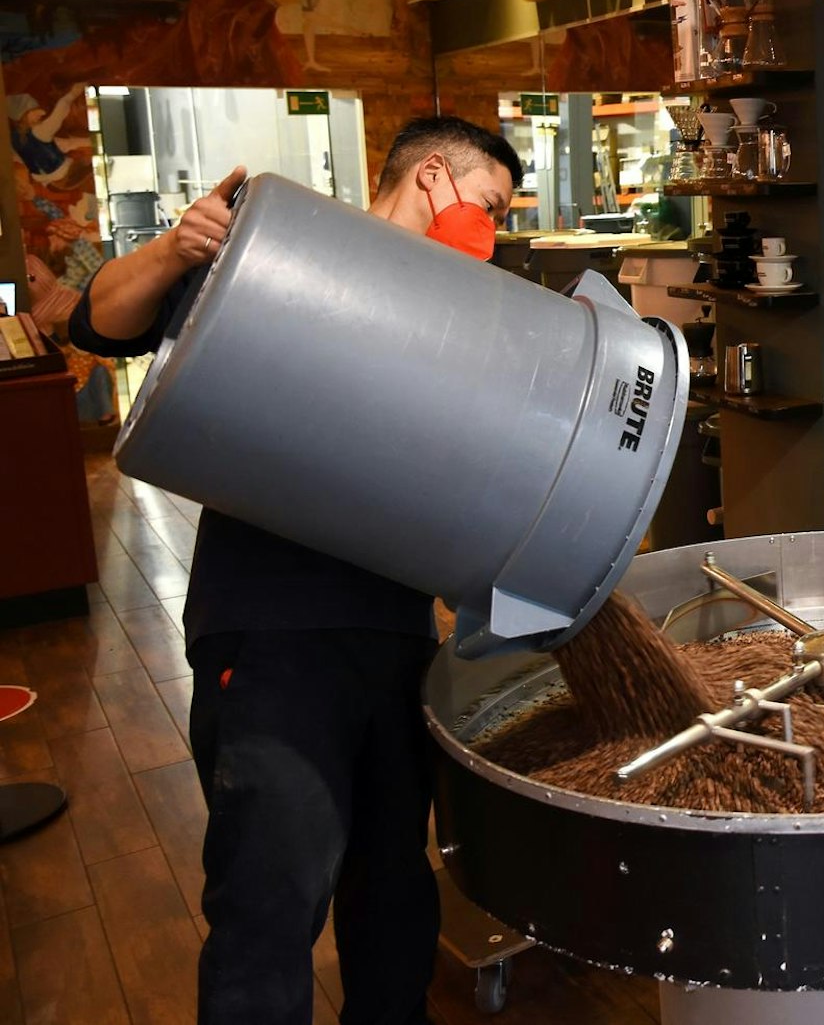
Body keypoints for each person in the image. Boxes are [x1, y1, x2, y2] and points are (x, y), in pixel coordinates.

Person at [68, 116, 521, 1025]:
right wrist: (172, 248)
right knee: (269, 905)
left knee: (393, 897)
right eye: (490, 204)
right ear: (433, 177)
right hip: (274, 635)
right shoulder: (278, 249)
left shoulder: (460, 312)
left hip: (396, 638)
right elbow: (96, 319)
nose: (494, 229)